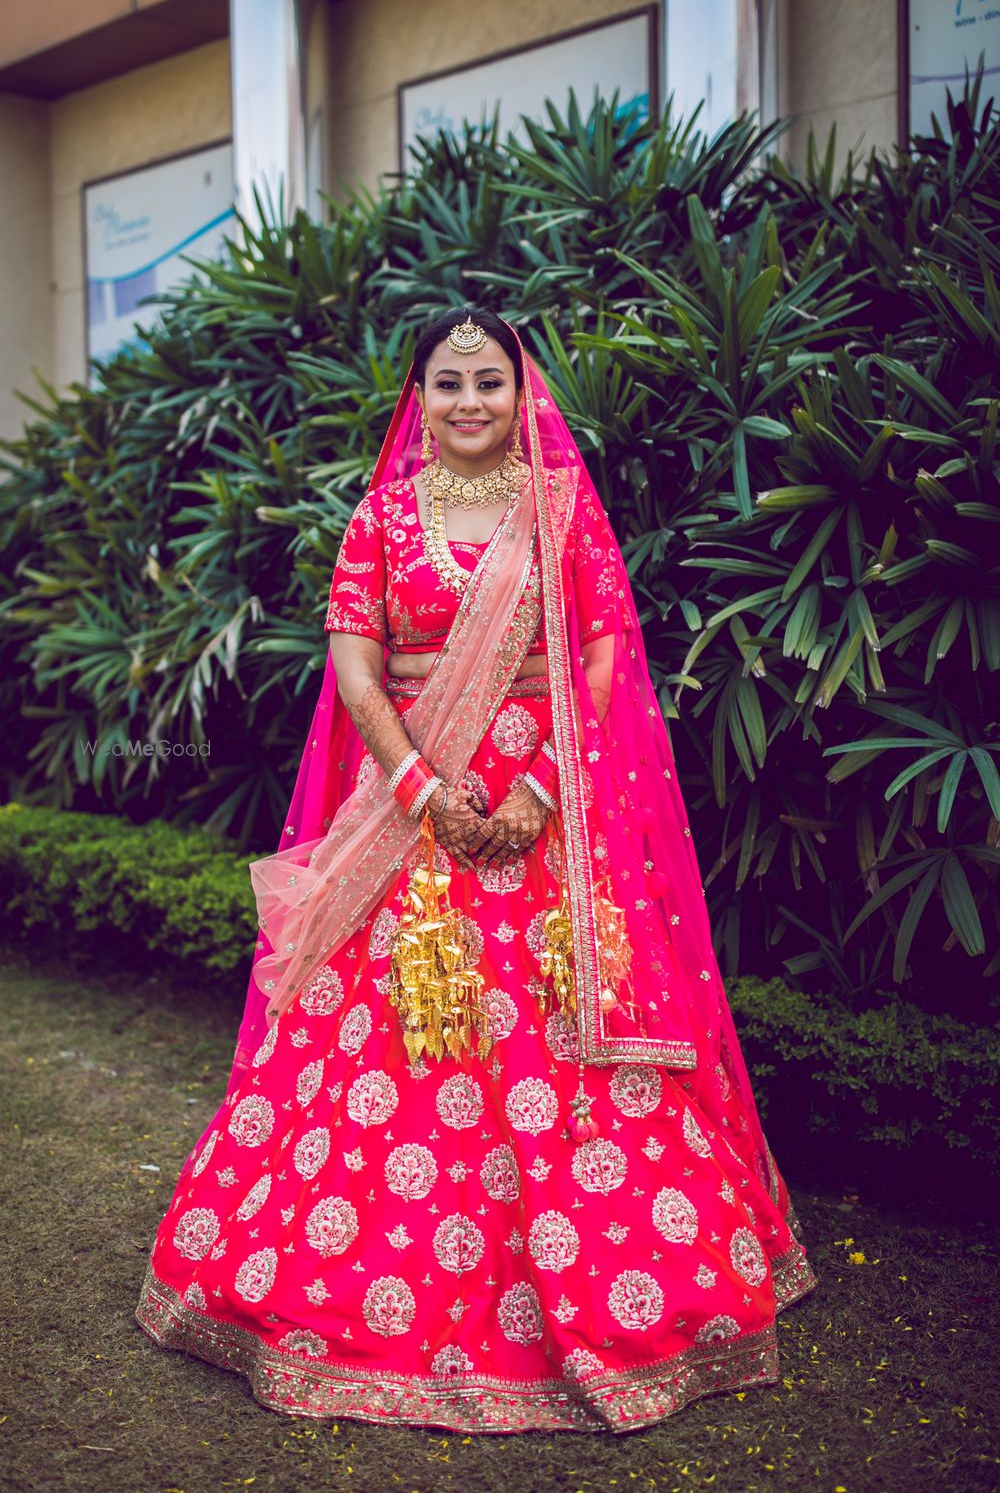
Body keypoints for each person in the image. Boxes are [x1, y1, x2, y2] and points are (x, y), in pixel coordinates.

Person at [135, 306, 816, 1432]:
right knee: (395, 1031)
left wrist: (542, 786)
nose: (468, 403)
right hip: (415, 812)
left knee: (559, 1023)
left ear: (520, 392)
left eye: (488, 382)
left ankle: (610, 1282)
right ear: (419, 396)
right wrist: (422, 791)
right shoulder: (383, 515)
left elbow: (600, 650)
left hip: (548, 811)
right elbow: (356, 670)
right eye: (448, 383)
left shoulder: (561, 512)